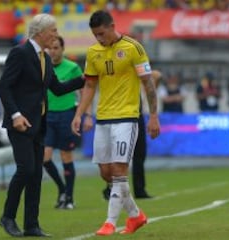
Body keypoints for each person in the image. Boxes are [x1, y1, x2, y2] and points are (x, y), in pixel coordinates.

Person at [71, 10, 160, 236]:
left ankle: (110, 222)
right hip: (103, 117)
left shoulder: (134, 48)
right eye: (95, 35)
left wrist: (153, 116)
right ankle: (135, 215)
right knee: (106, 172)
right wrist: (80, 114)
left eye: (101, 33)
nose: (99, 39)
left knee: (120, 170)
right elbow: (90, 86)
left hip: (127, 117)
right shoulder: (93, 53)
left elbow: (148, 84)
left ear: (112, 26)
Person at [0, 13, 84, 238]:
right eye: (53, 30)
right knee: (26, 169)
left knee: (36, 174)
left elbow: (58, 88)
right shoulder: (20, 53)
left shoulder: (44, 58)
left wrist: (87, 78)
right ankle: (7, 217)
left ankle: (31, 225)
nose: (56, 35)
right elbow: (4, 87)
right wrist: (15, 115)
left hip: (38, 124)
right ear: (40, 32)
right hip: (20, 124)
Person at [43, 36, 93, 210]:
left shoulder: (72, 68)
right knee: (45, 157)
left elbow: (85, 91)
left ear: (62, 49)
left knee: (66, 155)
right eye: (50, 48)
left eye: (56, 48)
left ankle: (69, 197)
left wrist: (87, 115)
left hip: (66, 115)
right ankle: (62, 189)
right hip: (47, 116)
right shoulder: (44, 67)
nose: (53, 51)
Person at [102, 70, 162, 200]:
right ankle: (111, 187)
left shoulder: (136, 70)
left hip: (136, 114)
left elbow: (156, 75)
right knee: (120, 155)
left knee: (139, 154)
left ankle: (139, 190)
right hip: (120, 115)